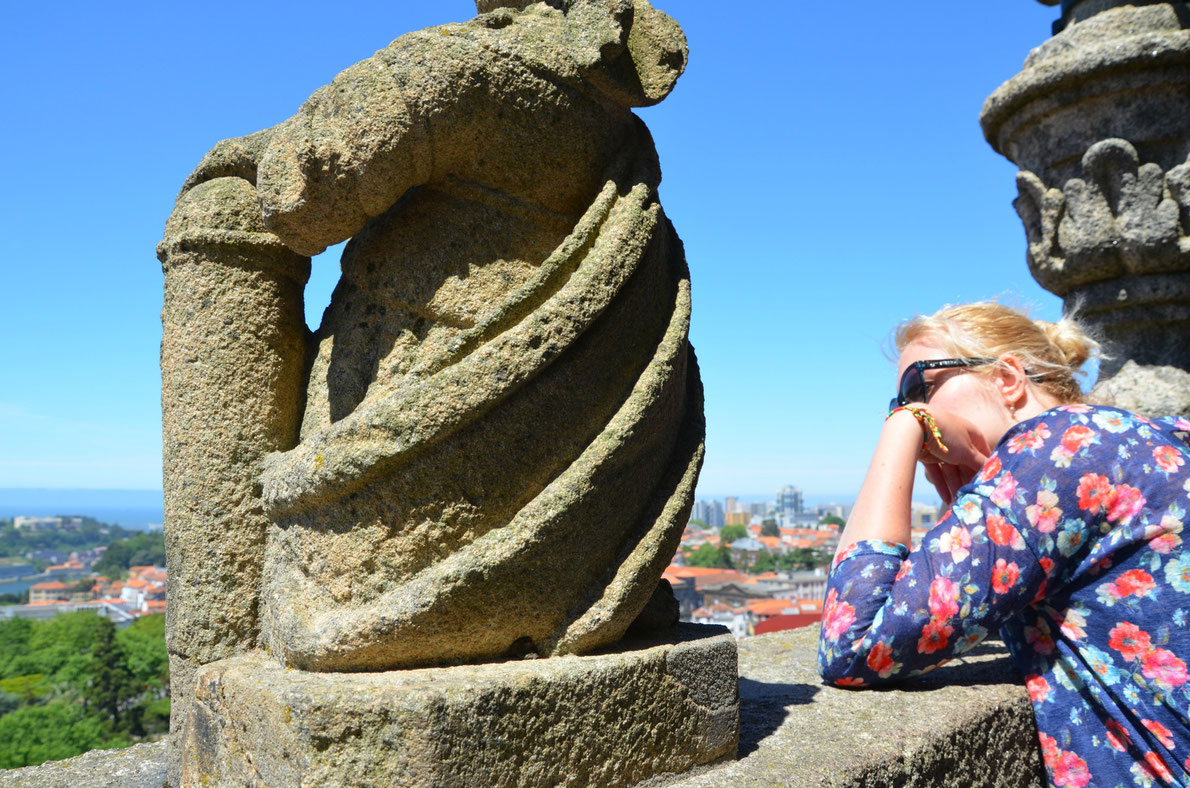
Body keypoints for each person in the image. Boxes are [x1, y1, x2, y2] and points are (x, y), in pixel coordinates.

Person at [818, 301, 1190, 788]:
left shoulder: (1054, 451)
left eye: (919, 389)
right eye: (905, 402)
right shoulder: (1146, 435)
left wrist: (902, 428)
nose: (917, 407)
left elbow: (854, 642)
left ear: (1009, 378)